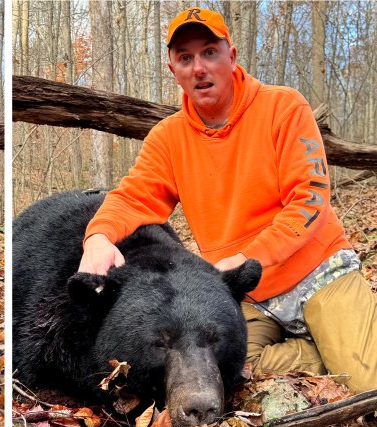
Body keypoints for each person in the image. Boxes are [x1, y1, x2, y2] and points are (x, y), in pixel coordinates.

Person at [78, 7, 377, 393]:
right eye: (185, 58)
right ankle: (326, 351)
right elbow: (134, 197)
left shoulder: (283, 108)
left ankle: (348, 348)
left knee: (367, 383)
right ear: (174, 70)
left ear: (231, 56)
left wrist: (252, 256)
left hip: (319, 271)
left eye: (209, 53)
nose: (199, 68)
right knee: (229, 366)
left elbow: (310, 199)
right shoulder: (168, 138)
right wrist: (98, 237)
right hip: (250, 292)